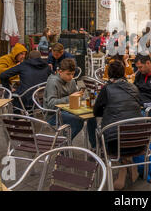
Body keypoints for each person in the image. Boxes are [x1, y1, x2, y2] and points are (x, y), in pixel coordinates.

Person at [94, 61, 143, 190]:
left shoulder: (107, 89)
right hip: (140, 141)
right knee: (127, 127)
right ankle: (130, 165)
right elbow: (140, 105)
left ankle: (123, 168)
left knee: (109, 131)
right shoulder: (134, 87)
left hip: (115, 144)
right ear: (123, 73)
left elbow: (96, 112)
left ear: (109, 74)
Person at [43, 59, 96, 142]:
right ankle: (63, 145)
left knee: (92, 116)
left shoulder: (71, 81)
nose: (71, 77)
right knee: (78, 121)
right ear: (60, 72)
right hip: (54, 114)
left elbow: (75, 97)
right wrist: (70, 98)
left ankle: (94, 146)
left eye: (72, 74)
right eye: (68, 74)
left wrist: (82, 96)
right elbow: (51, 104)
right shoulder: (53, 82)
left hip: (68, 110)